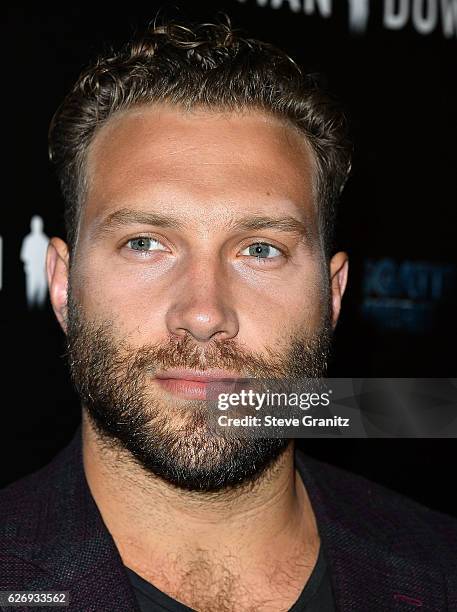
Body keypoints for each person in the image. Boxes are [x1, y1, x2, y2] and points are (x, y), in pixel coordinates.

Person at [1, 17, 456, 612]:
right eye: (145, 243)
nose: (203, 313)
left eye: (260, 250)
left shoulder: (441, 569)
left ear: (334, 293)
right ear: (63, 285)